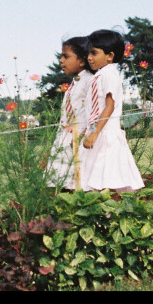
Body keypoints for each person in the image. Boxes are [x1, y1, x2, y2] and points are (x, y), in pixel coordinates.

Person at [81, 30, 145, 196]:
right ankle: (105, 216)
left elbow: (109, 106)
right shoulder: (99, 76)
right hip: (98, 133)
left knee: (109, 180)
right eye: (88, 53)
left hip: (106, 135)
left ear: (110, 56)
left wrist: (95, 133)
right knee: (99, 179)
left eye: (94, 53)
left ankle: (113, 215)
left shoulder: (110, 74)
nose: (89, 57)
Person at [45, 36, 93, 191]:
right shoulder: (75, 83)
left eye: (66, 56)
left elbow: (93, 113)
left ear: (82, 60)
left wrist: (83, 135)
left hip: (79, 140)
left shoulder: (89, 81)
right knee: (58, 183)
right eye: (61, 56)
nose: (61, 61)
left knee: (78, 183)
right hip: (65, 139)